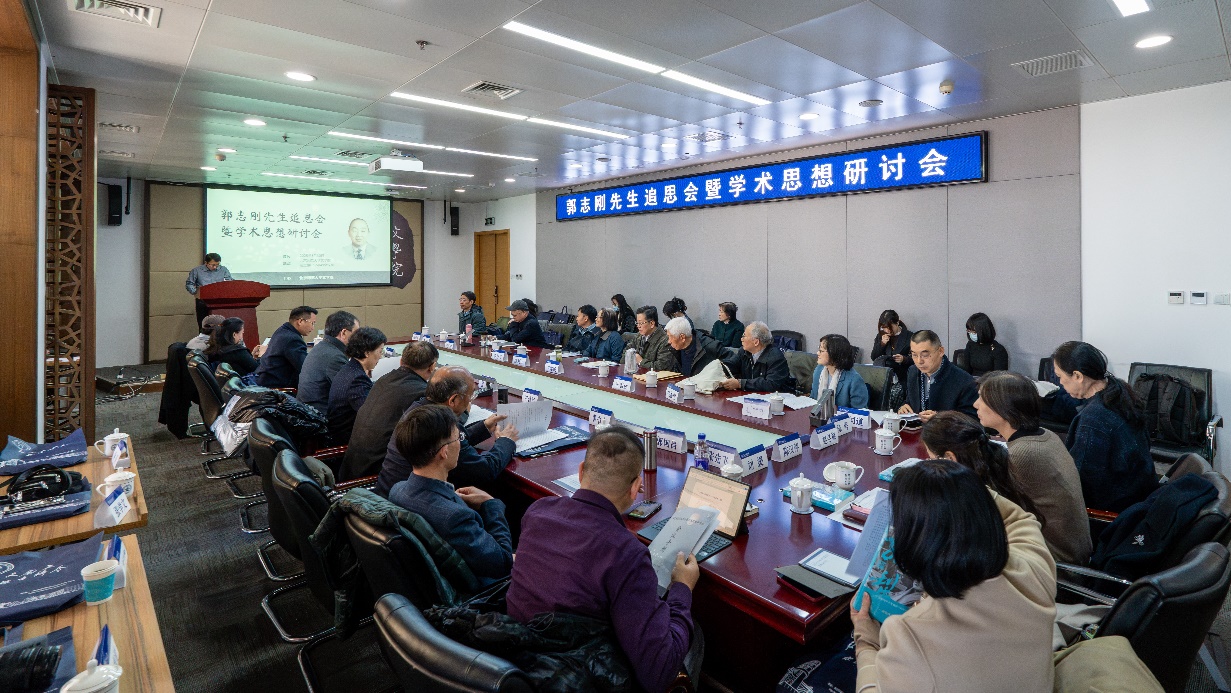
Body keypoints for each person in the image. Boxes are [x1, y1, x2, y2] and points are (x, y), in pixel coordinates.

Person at [507, 427, 703, 692]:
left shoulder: (537, 511)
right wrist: (682, 588)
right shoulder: (626, 552)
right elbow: (658, 673)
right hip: (578, 678)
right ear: (635, 489)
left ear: (581, 471)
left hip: (518, 662)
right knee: (693, 633)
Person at [851, 459, 1056, 693]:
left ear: (915, 546)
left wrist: (867, 644)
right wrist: (959, 488)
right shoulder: (1033, 569)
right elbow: (1018, 518)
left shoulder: (910, 637)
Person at [387, 405, 513, 586]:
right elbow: (503, 563)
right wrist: (490, 504)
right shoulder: (454, 517)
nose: (461, 443)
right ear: (444, 452)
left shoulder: (397, 490)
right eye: (458, 438)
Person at [975, 371, 1092, 564]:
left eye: (981, 398)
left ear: (1003, 407)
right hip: (1069, 549)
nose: (975, 404)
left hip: (1053, 561)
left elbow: (990, 507)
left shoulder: (1023, 453)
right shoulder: (1046, 435)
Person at [376, 366, 519, 496]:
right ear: (453, 400)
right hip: (414, 503)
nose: (470, 401)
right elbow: (485, 471)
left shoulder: (419, 409)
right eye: (470, 396)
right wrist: (506, 441)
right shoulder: (441, 423)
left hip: (390, 494)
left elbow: (457, 439)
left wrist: (484, 427)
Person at [1052, 341, 1157, 512]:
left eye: (1059, 376)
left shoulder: (1093, 420)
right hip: (1140, 495)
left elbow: (1081, 484)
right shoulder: (1119, 392)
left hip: (1115, 512)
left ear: (1077, 376)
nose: (1060, 382)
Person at [341, 341, 439, 483]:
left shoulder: (383, 380)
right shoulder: (422, 393)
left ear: (401, 361)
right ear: (432, 367)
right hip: (376, 476)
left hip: (350, 468)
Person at [898, 330, 977, 422]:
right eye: (914, 355)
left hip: (947, 430)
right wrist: (904, 408)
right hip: (917, 429)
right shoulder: (913, 372)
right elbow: (910, 402)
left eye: (925, 355)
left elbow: (972, 420)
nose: (919, 361)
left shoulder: (964, 381)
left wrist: (941, 419)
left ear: (940, 351)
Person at [326, 326, 387, 445]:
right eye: (380, 351)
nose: (381, 356)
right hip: (346, 442)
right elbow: (370, 416)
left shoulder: (350, 369)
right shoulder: (357, 379)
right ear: (367, 352)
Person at [296, 310, 359, 415]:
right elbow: (353, 392)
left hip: (309, 412)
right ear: (343, 333)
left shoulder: (321, 348)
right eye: (356, 334)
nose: (358, 339)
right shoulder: (335, 357)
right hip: (321, 417)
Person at [719, 321, 793, 392]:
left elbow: (770, 384)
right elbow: (732, 365)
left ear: (756, 342)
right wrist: (718, 366)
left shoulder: (776, 357)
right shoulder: (743, 352)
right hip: (750, 396)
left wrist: (740, 383)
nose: (741, 339)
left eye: (744, 336)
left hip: (776, 398)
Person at [254, 306, 317, 389]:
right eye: (312, 323)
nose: (313, 328)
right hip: (278, 387)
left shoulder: (282, 331)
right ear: (300, 321)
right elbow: (305, 367)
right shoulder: (292, 339)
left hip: (265, 380)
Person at [810, 334, 869, 408]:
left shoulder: (854, 379)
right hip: (819, 414)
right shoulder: (819, 370)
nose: (818, 353)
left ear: (834, 354)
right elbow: (813, 399)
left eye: (821, 351)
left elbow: (860, 411)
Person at [665, 317, 730, 378]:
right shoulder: (676, 349)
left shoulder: (710, 346)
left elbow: (732, 364)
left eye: (670, 337)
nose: (669, 341)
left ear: (682, 337)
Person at [185, 253, 233, 328]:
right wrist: (196, 293)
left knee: (220, 325)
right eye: (213, 265)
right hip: (202, 301)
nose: (215, 267)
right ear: (206, 263)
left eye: (217, 265)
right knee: (204, 325)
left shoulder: (223, 270)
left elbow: (230, 282)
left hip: (220, 300)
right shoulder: (197, 270)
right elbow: (189, 284)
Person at [871, 309, 912, 384]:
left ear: (897, 323)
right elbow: (874, 357)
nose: (887, 331)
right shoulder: (881, 336)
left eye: (890, 327)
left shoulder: (910, 337)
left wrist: (904, 359)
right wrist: (882, 344)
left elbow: (916, 359)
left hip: (902, 377)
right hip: (884, 377)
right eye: (884, 327)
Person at [634, 305, 677, 371]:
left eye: (641, 323)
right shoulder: (639, 336)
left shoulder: (665, 340)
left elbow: (661, 367)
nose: (638, 326)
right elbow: (625, 353)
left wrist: (641, 362)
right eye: (637, 323)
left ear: (651, 324)